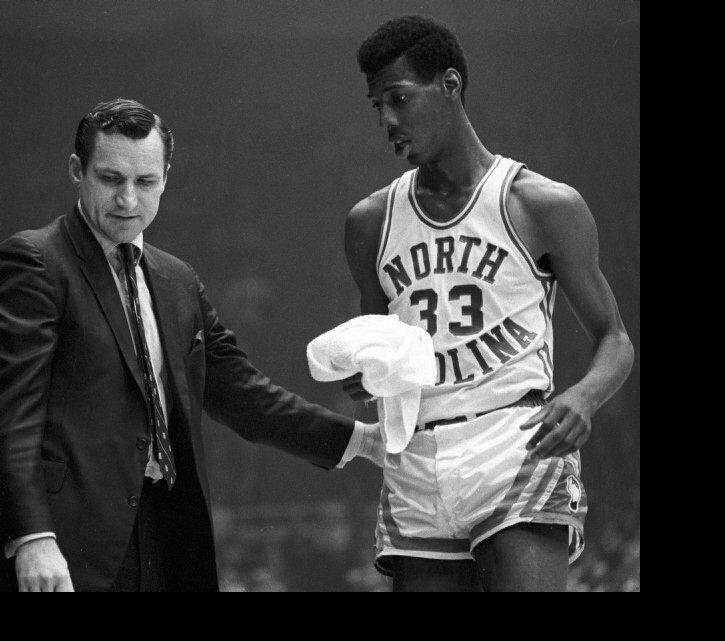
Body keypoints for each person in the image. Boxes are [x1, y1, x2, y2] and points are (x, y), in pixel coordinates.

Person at [0, 98, 383, 592]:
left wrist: (359, 439)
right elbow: (12, 412)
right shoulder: (36, 261)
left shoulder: (177, 280)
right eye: (111, 179)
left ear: (166, 179)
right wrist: (32, 535)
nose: (128, 200)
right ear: (78, 171)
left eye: (145, 182)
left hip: (168, 531)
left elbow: (242, 394)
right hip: (69, 539)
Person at [343, 15, 635, 591]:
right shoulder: (369, 222)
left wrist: (584, 396)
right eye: (377, 105)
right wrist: (366, 374)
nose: (386, 120)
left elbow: (616, 338)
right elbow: (378, 354)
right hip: (417, 458)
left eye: (399, 98)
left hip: (516, 441)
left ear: (450, 85)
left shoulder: (542, 204)